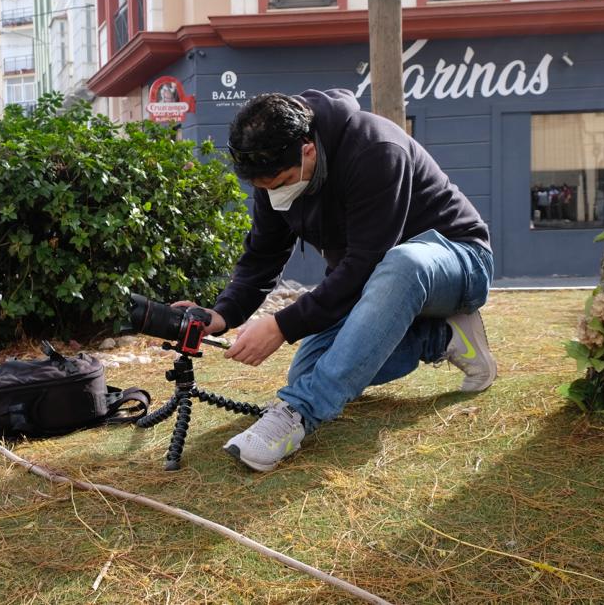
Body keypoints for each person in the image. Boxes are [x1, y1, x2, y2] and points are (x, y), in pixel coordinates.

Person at [175, 89, 496, 472]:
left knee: (402, 263)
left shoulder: (376, 148)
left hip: (457, 262)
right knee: (309, 370)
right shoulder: (273, 173)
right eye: (264, 188)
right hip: (378, 281)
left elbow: (365, 264)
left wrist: (282, 325)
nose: (273, 194)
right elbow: (263, 256)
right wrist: (223, 314)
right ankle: (440, 338)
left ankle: (298, 415)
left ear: (307, 148)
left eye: (281, 182)